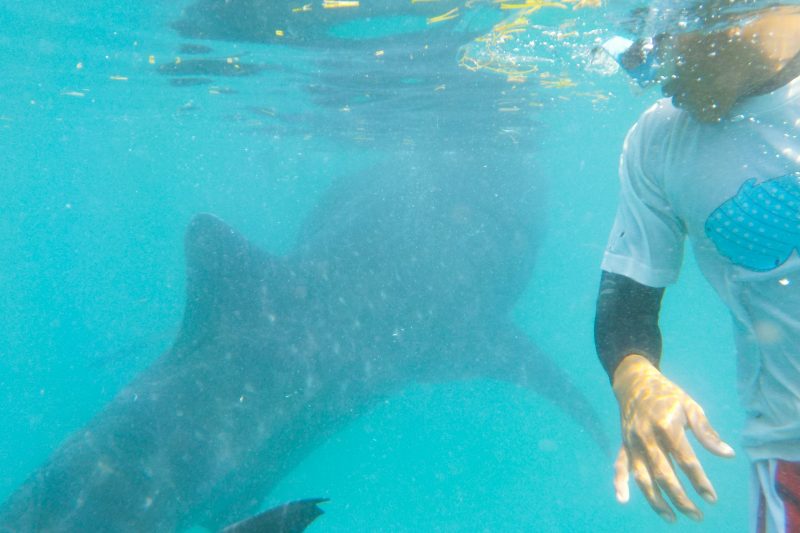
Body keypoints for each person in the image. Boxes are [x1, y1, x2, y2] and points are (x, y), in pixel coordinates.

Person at [594, 3, 800, 531]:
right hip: (789, 459)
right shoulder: (660, 141)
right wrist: (636, 380)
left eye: (654, 48)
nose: (645, 78)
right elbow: (628, 301)